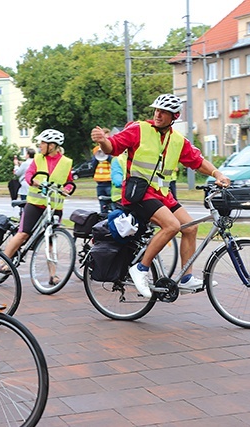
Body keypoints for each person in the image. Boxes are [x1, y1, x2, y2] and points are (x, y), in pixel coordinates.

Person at [91, 94, 230, 298]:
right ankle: (140, 269)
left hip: (162, 195)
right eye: (156, 110)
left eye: (163, 112)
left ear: (174, 116)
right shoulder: (138, 129)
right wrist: (103, 142)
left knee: (190, 227)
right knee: (172, 226)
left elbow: (197, 161)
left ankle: (186, 278)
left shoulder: (177, 140)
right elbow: (113, 147)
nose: (158, 114)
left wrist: (217, 173)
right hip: (138, 193)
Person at [1, 129, 73, 284]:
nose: (40, 146)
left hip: (54, 207)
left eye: (43, 143)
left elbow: (69, 181)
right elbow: (29, 174)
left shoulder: (66, 162)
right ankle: (3, 261)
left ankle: (53, 276)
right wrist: (33, 181)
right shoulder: (39, 158)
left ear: (52, 146)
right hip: (35, 204)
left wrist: (68, 189)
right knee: (23, 234)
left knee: (51, 239)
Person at [91, 128, 112, 213]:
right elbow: (93, 165)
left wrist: (107, 154)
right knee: (102, 207)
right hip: (100, 182)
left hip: (109, 181)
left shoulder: (112, 149)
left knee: (112, 204)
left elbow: (113, 162)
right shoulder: (96, 149)